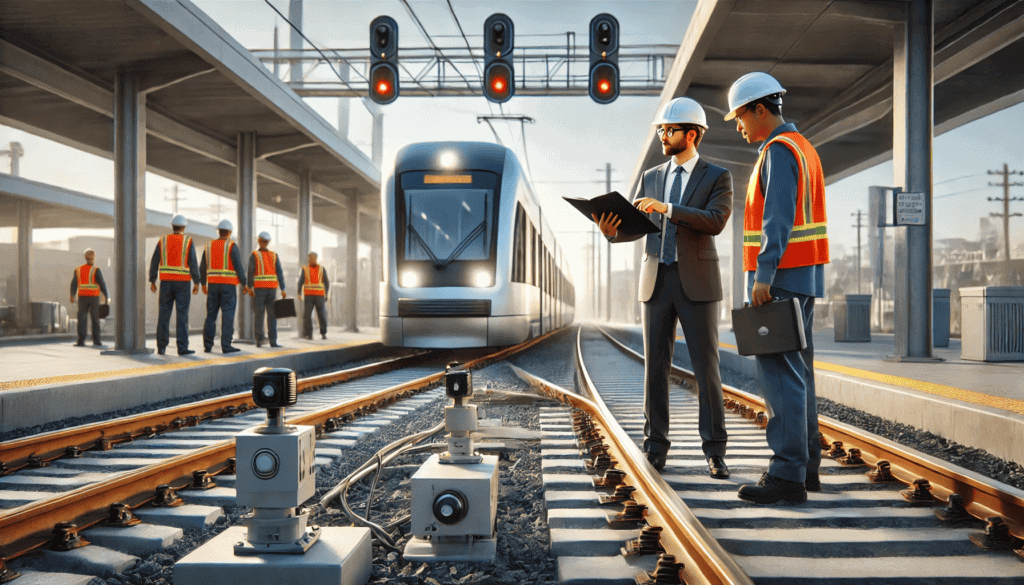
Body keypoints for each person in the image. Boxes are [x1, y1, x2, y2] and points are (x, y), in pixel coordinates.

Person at [595, 97, 733, 478]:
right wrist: (613, 234)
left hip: (698, 282)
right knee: (654, 368)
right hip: (656, 280)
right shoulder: (652, 176)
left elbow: (715, 221)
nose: (662, 135)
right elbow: (639, 228)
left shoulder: (718, 176)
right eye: (660, 129)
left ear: (691, 135)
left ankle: (715, 452)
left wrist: (668, 208)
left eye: (668, 130)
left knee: (707, 369)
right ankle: (655, 447)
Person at [725, 72, 829, 504]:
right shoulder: (803, 147)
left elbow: (778, 217)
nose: (737, 126)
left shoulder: (778, 151)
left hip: (781, 278)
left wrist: (763, 274)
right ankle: (806, 468)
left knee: (779, 372)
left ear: (760, 109)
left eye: (740, 117)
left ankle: (787, 475)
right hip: (803, 276)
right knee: (798, 371)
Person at [149, 214, 200, 356]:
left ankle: (161, 347)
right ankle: (182, 348)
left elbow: (154, 261)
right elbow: (193, 263)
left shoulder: (163, 241)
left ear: (172, 226)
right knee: (182, 315)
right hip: (183, 283)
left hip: (165, 283)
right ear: (184, 227)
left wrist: (152, 280)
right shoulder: (188, 242)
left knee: (163, 314)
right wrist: (197, 281)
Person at [200, 219, 248, 354]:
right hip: (228, 287)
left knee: (211, 315)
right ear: (230, 232)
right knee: (228, 315)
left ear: (218, 231)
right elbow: (239, 267)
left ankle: (207, 346)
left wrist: (203, 283)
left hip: (213, 286)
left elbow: (202, 267)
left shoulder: (208, 246)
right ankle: (226, 346)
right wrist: (245, 285)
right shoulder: (232, 246)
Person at [248, 231, 286, 348]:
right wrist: (283, 288)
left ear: (259, 241)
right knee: (272, 315)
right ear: (268, 242)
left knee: (259, 314)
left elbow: (250, 272)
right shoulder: (274, 255)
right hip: (272, 290)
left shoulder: (254, 255)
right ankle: (273, 341)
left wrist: (249, 286)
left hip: (259, 289)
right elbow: (279, 272)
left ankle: (259, 340)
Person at [69, 248, 109, 347]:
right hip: (94, 297)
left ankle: (81, 341)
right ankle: (96, 341)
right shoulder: (96, 270)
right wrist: (106, 295)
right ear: (93, 257)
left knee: (82, 319)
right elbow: (102, 284)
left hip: (82, 297)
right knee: (95, 319)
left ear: (85, 257)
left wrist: (72, 295)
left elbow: (73, 284)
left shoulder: (78, 269)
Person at [298, 251, 330, 340]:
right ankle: (309, 333)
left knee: (322, 315)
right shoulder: (305, 269)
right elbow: (301, 281)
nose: (310, 259)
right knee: (307, 315)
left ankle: (323, 333)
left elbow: (326, 282)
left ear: (316, 258)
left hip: (319, 296)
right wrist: (299, 292)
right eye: (309, 258)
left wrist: (326, 294)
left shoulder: (322, 269)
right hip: (308, 296)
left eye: (311, 258)